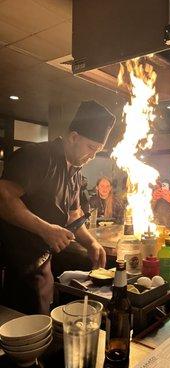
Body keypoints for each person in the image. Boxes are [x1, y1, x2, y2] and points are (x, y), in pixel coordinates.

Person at [0, 100, 116, 314]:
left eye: (97, 150)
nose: (92, 156)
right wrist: (46, 229)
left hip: (42, 260)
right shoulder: (38, 156)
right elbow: (4, 198)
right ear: (73, 137)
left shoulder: (75, 170)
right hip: (14, 262)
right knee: (16, 325)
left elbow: (74, 215)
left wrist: (91, 243)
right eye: (91, 147)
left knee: (41, 320)